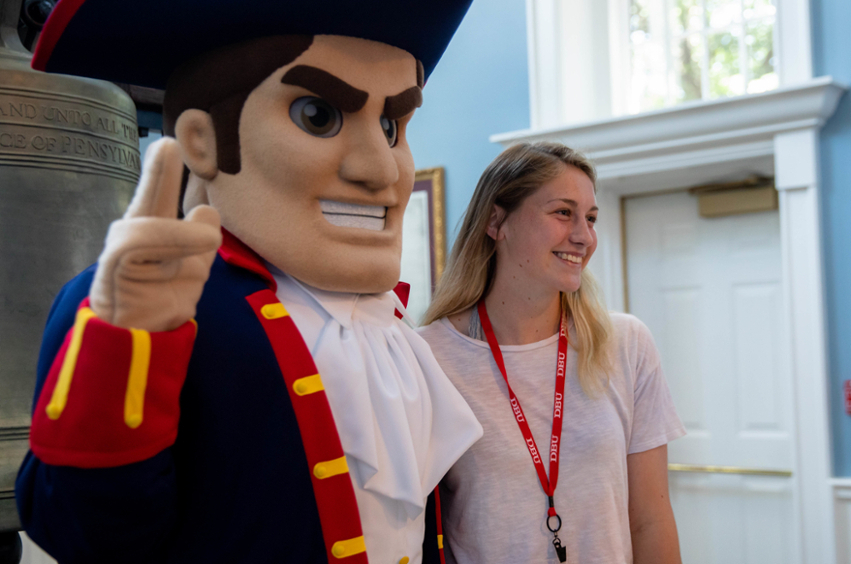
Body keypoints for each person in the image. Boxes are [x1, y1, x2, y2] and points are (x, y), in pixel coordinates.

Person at [15, 1, 483, 563]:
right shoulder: (140, 302)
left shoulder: (390, 328)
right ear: (202, 140)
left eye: (390, 127)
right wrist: (124, 347)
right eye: (318, 115)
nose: (381, 169)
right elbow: (84, 534)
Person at [418, 142, 686, 564]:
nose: (584, 236)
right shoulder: (428, 355)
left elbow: (649, 519)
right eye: (564, 213)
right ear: (496, 220)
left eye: (591, 218)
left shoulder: (626, 344)